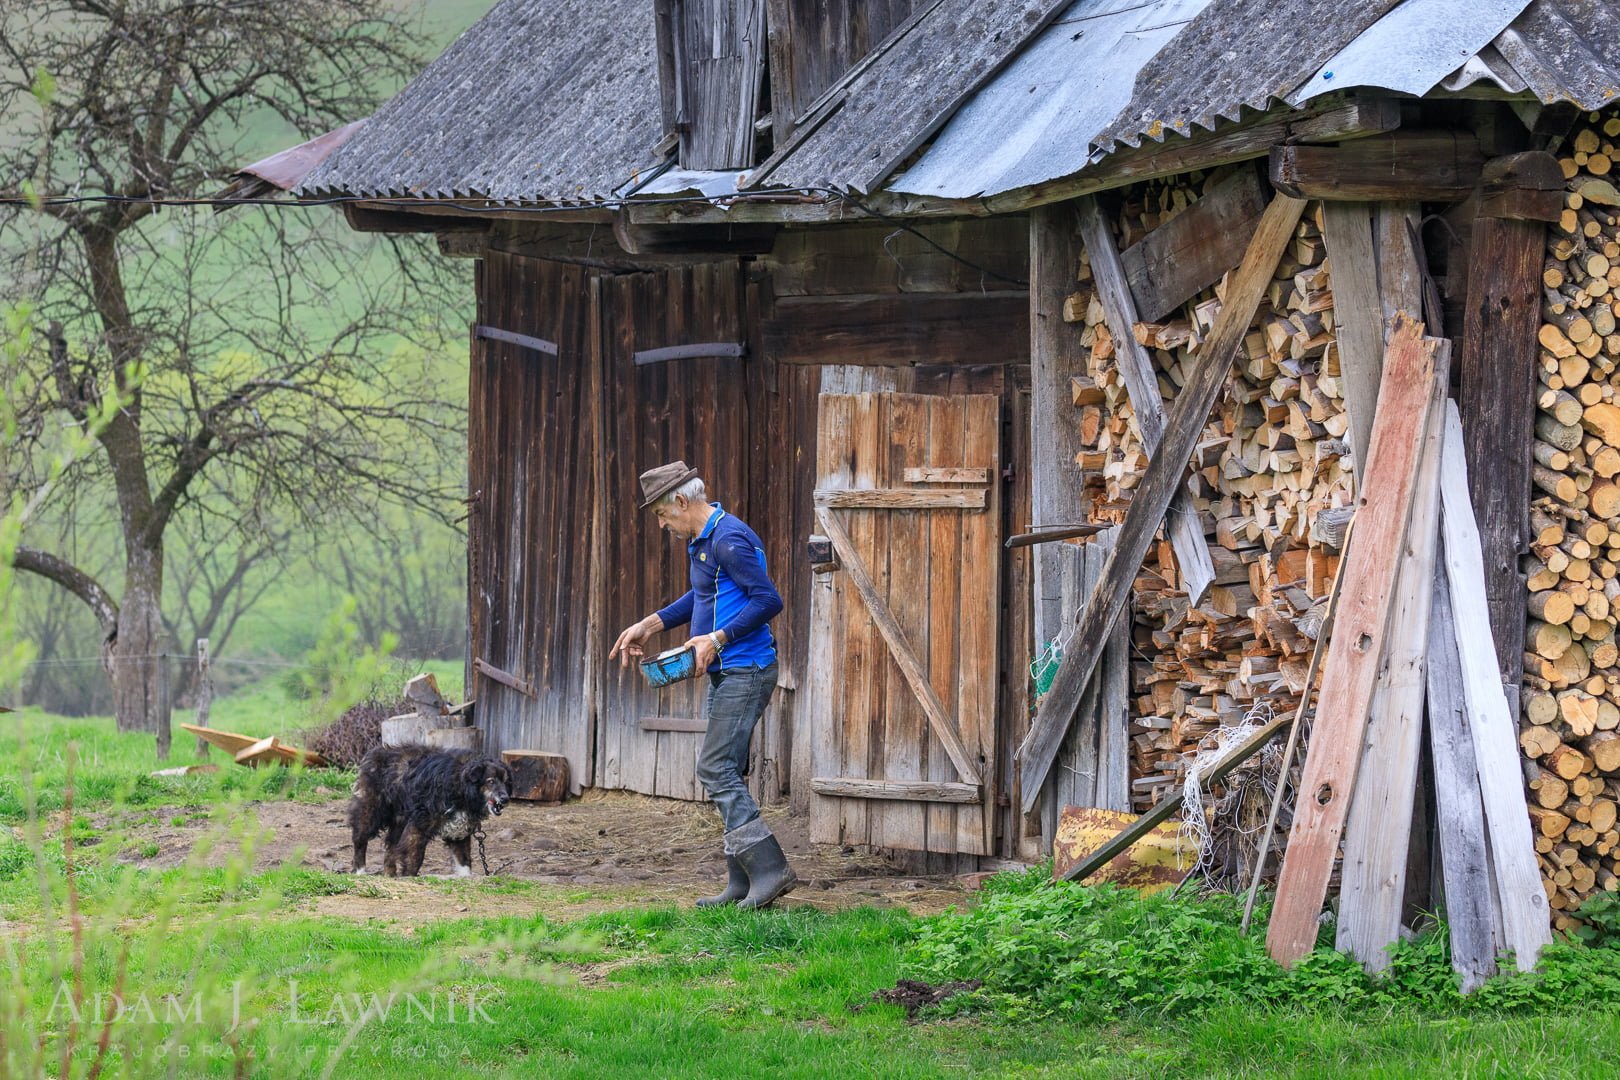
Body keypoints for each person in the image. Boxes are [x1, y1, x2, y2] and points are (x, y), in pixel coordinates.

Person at [609, 460, 797, 909]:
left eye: (660, 513)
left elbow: (769, 599)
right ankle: (741, 882)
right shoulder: (702, 542)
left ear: (680, 500)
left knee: (714, 768)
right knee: (725, 768)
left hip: (746, 669)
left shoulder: (729, 538)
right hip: (725, 670)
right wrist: (650, 624)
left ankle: (771, 869)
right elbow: (703, 595)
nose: (660, 523)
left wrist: (717, 638)